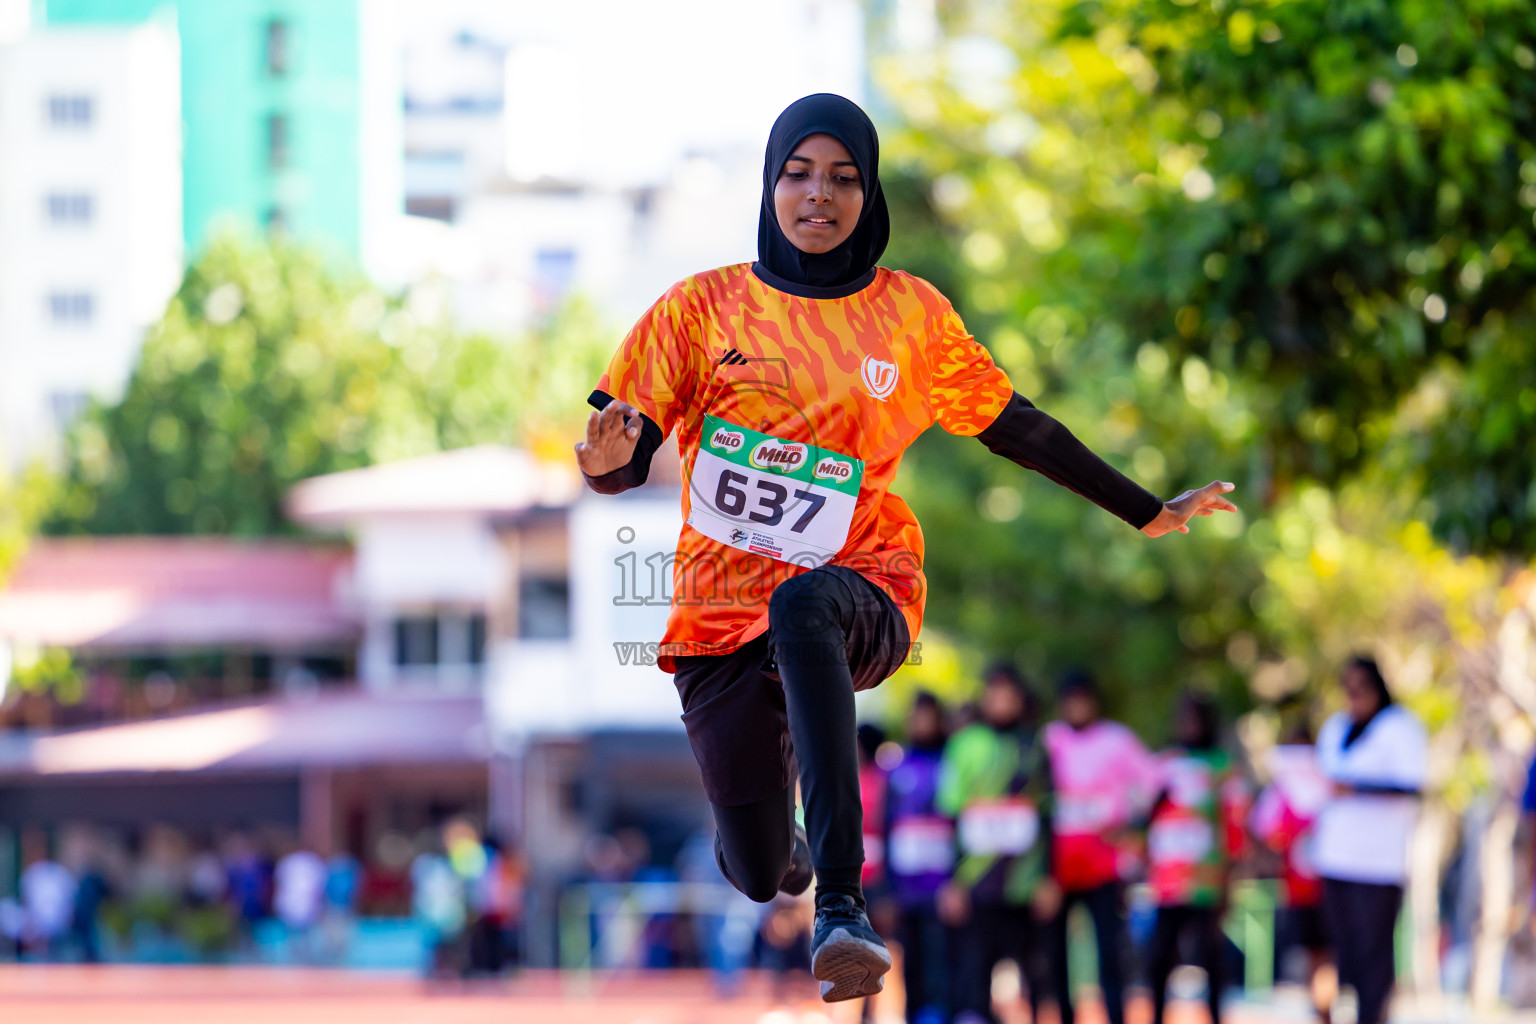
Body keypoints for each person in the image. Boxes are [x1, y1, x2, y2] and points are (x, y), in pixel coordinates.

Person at [573, 92, 1237, 1002]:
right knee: (757, 869)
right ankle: (794, 854)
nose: (820, 196)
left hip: (867, 584)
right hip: (716, 620)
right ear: (770, 185)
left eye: (843, 178)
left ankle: (842, 906)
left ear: (868, 190)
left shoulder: (909, 316)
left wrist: (1145, 507)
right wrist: (607, 468)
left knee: (802, 604)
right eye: (799, 175)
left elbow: (1018, 428)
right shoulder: (699, 309)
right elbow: (626, 445)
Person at [937, 665, 1057, 1024]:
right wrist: (952, 881)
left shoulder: (1036, 748)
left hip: (1025, 885)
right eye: (995, 693)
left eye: (1009, 694)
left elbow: (1048, 817)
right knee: (974, 971)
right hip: (977, 884)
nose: (1002, 702)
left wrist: (1049, 878)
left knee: (1035, 973)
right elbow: (951, 818)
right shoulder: (965, 745)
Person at [1313, 657, 1427, 1024]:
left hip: (1379, 862)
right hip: (1335, 857)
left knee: (1373, 953)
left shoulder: (1401, 727)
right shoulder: (1335, 728)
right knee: (1341, 951)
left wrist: (1357, 788)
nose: (1355, 695)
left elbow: (1412, 785)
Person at [1043, 670, 1160, 1024]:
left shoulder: (1117, 739)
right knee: (1054, 956)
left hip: (1104, 866)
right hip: (1057, 869)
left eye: (1084, 699)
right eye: (1071, 700)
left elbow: (1155, 783)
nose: (1077, 707)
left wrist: (1134, 828)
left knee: (1110, 953)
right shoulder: (1050, 740)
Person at [1143, 693, 1248, 1024]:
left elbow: (1235, 824)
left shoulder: (1222, 768)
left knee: (1212, 958)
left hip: (1207, 882)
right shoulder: (1162, 765)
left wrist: (1230, 876)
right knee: (1159, 957)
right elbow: (1142, 819)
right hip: (1167, 884)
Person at [1251, 724, 1334, 1021]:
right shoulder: (1280, 792)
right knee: (1313, 952)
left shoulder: (1330, 785)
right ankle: (1321, 1010)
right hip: (1299, 889)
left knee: (1330, 953)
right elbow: (1264, 832)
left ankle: (1325, 1007)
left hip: (1332, 887)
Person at [883, 691, 954, 1023]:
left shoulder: (952, 762)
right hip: (906, 890)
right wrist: (888, 890)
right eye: (916, 716)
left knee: (943, 962)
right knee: (910, 964)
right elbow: (886, 828)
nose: (921, 723)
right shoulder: (895, 768)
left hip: (944, 889)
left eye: (928, 716)